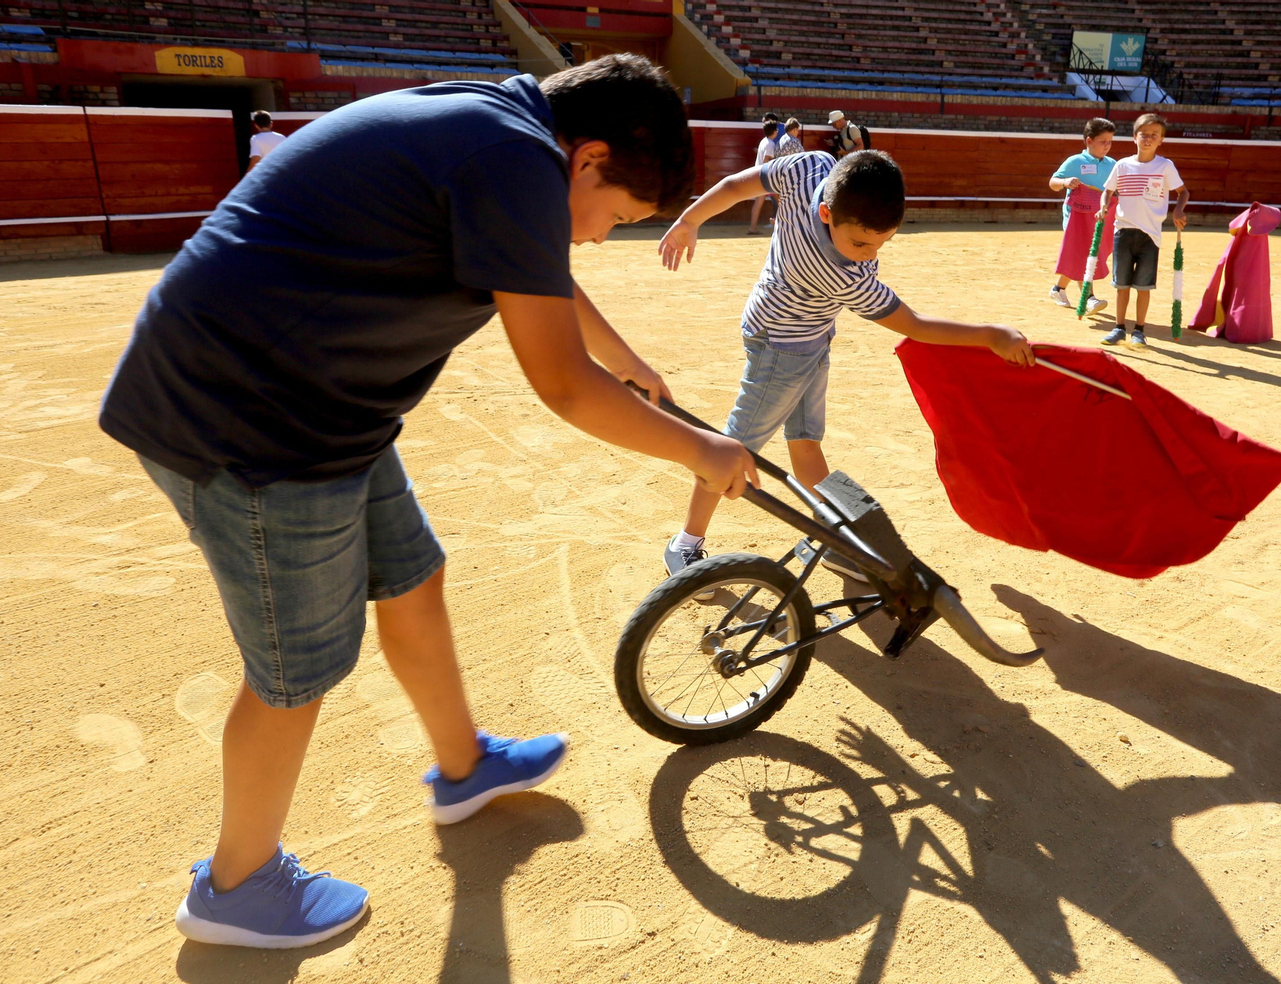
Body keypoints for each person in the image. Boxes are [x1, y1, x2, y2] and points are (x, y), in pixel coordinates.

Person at [98, 54, 757, 950]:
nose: (598, 238)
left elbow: (541, 273)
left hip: (318, 404)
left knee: (413, 576)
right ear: (588, 158)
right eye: (612, 217)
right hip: (252, 420)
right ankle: (236, 886)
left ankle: (462, 766)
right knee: (295, 676)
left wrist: (620, 355)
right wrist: (702, 449)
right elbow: (560, 386)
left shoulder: (503, 128)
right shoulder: (514, 159)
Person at [656, 149, 1035, 578]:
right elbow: (913, 323)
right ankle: (684, 545)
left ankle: (835, 539)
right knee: (731, 450)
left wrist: (691, 219)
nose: (867, 256)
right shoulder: (843, 275)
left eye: (880, 244)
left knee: (805, 443)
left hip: (802, 334)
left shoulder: (808, 167)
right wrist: (989, 335)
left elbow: (734, 186)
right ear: (825, 212)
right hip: (782, 347)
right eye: (860, 243)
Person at [1096, 113, 1188, 346]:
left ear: (1161, 140)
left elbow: (1183, 192)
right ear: (1134, 137)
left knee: (1143, 286)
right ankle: (1118, 327)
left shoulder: (1165, 166)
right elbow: (1108, 190)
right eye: (1143, 134)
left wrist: (1178, 210)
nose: (1148, 139)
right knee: (1122, 285)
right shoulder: (1122, 165)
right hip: (1123, 231)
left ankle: (1139, 329)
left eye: (1153, 136)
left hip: (1151, 235)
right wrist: (1104, 207)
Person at [1047, 117, 1116, 312]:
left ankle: (1058, 288)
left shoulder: (1112, 164)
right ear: (1089, 141)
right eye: (1103, 141)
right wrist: (1065, 181)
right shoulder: (1075, 161)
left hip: (1099, 216)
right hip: (1075, 216)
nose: (1107, 146)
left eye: (1110, 141)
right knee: (1086, 253)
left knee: (1084, 253)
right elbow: (1053, 182)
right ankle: (1089, 297)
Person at [748, 119, 782, 234]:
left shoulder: (764, 141)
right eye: (776, 129)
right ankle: (784, 225)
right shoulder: (770, 144)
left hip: (759, 175)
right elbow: (766, 160)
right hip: (766, 177)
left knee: (759, 202)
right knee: (781, 202)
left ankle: (752, 227)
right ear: (774, 131)